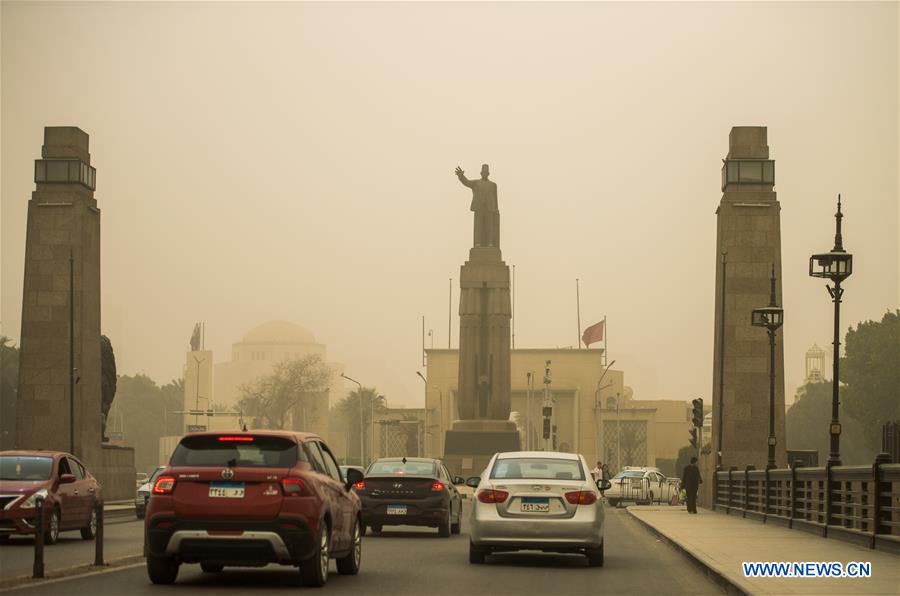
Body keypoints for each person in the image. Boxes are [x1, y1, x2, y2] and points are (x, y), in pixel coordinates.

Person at [455, 164, 499, 248]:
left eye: (486, 172)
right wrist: (461, 176)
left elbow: (495, 197)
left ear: (488, 173)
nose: (484, 173)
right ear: (481, 173)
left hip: (489, 209)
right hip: (479, 208)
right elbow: (466, 182)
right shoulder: (476, 183)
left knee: (489, 227)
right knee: (478, 227)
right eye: (483, 172)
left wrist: (496, 209)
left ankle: (490, 243)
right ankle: (477, 243)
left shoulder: (493, 185)